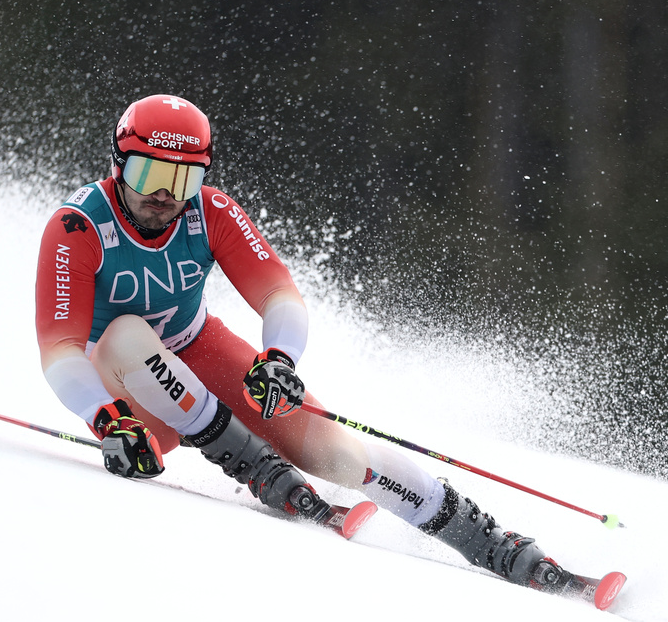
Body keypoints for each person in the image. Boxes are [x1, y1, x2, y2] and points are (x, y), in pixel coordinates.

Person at [34, 93, 571, 590]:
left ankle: (492, 544)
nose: (162, 194)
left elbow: (280, 295)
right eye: (148, 172)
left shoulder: (212, 213)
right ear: (116, 164)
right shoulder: (79, 228)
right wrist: (106, 419)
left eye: (183, 180)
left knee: (335, 452)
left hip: (198, 350)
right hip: (126, 396)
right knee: (127, 335)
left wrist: (280, 360)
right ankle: (251, 463)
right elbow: (59, 351)